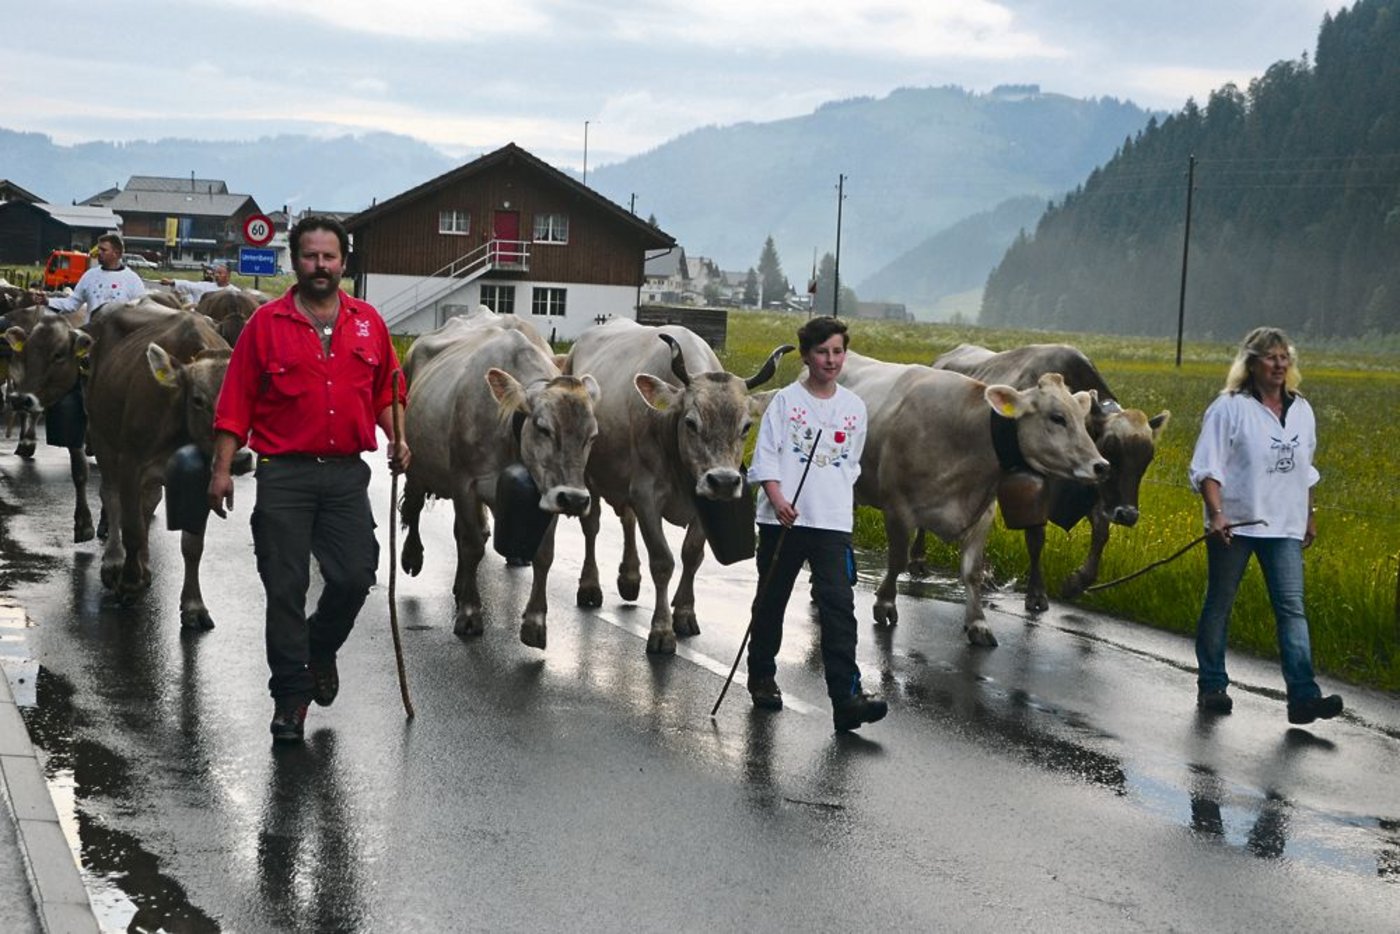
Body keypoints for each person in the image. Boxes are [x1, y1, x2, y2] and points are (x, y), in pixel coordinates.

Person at [207, 215, 410, 743]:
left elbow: (386, 394)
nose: (320, 266)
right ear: (294, 261)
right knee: (285, 588)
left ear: (344, 262)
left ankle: (320, 647)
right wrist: (222, 470)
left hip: (346, 476)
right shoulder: (265, 325)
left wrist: (399, 437)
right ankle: (291, 700)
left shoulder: (369, 323)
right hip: (284, 475)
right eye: (310, 257)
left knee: (353, 576)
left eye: (329, 257)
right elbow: (234, 406)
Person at [1189, 326, 1343, 725]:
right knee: (1220, 604)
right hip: (1236, 525)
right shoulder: (1229, 408)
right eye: (1270, 357)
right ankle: (1212, 685)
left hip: (1285, 526)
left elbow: (1304, 469)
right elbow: (1208, 466)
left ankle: (1303, 697)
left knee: (1292, 609)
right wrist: (1217, 513)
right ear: (1251, 363)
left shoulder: (1302, 409)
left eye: (1283, 356)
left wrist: (1308, 514)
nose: (1279, 364)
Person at [745, 315, 887, 732]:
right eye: (822, 352)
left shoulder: (854, 408)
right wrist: (778, 499)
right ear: (806, 355)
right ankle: (762, 676)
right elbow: (765, 458)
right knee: (771, 602)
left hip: (832, 524)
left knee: (839, 609)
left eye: (838, 352)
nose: (831, 360)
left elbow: (852, 464)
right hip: (782, 522)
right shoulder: (785, 403)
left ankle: (846, 699)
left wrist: (837, 503)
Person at [36, 232, 147, 316]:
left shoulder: (133, 280)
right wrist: (48, 301)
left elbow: (140, 312)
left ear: (116, 253)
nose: (99, 253)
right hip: (90, 338)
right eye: (99, 249)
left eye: (104, 250)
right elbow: (72, 303)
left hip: (117, 342)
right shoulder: (89, 276)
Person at [161, 263, 235, 302]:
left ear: (228, 275)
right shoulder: (204, 286)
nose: (216, 275)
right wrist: (171, 282)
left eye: (220, 273)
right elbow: (188, 285)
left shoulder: (235, 292)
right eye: (216, 273)